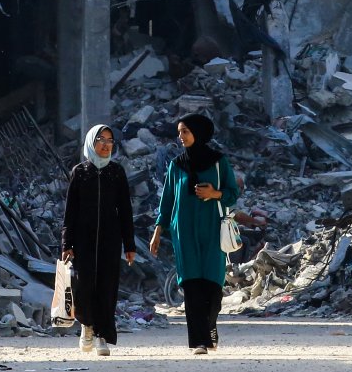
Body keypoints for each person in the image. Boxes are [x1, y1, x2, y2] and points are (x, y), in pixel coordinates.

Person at [149, 113, 238, 355]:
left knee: (212, 284)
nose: (180, 137)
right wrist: (158, 231)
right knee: (191, 285)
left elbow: (233, 193)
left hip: (212, 228)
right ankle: (199, 341)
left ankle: (210, 326)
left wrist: (214, 193)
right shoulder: (176, 165)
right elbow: (167, 202)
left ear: (198, 132)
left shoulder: (219, 162)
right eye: (179, 132)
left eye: (185, 132)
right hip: (184, 231)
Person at [60, 124, 136, 356]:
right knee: (83, 286)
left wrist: (129, 245)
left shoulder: (117, 172)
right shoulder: (80, 172)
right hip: (84, 239)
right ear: (91, 143)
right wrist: (66, 243)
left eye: (110, 140)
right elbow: (70, 210)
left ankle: (103, 335)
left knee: (107, 286)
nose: (105, 145)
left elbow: (125, 210)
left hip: (110, 239)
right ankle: (87, 327)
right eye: (101, 140)